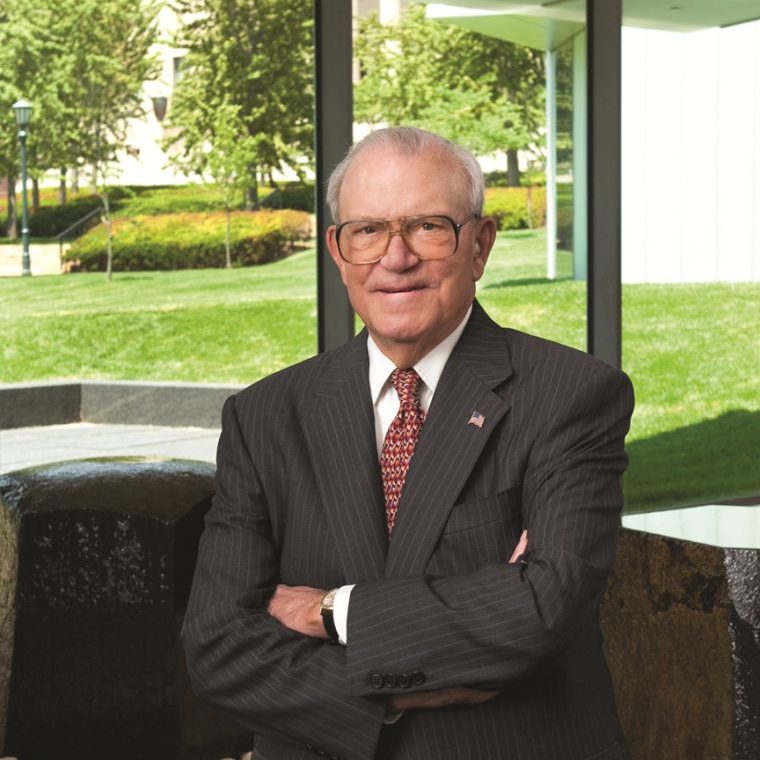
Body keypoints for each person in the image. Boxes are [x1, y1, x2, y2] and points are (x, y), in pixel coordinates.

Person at [183, 127, 634, 760]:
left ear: (480, 245)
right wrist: (394, 695)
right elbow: (218, 649)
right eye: (367, 231)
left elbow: (542, 609)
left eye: (427, 227)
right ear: (338, 253)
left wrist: (335, 613)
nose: (395, 258)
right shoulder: (264, 416)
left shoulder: (571, 396)